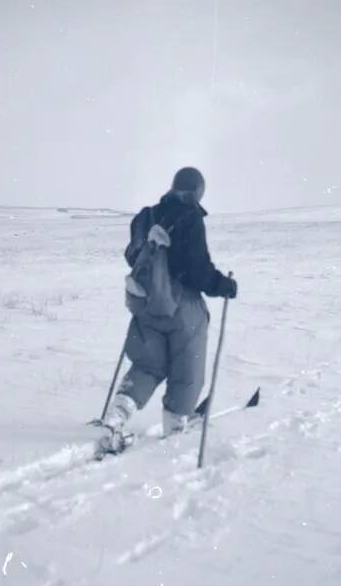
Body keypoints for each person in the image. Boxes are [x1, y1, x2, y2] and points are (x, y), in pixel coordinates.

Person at [97, 166, 237, 455]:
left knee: (148, 365)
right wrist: (223, 285)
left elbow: (131, 256)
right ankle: (175, 432)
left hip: (147, 303)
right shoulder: (190, 218)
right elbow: (195, 271)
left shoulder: (147, 215)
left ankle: (116, 418)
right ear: (198, 191)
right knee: (188, 369)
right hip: (182, 308)